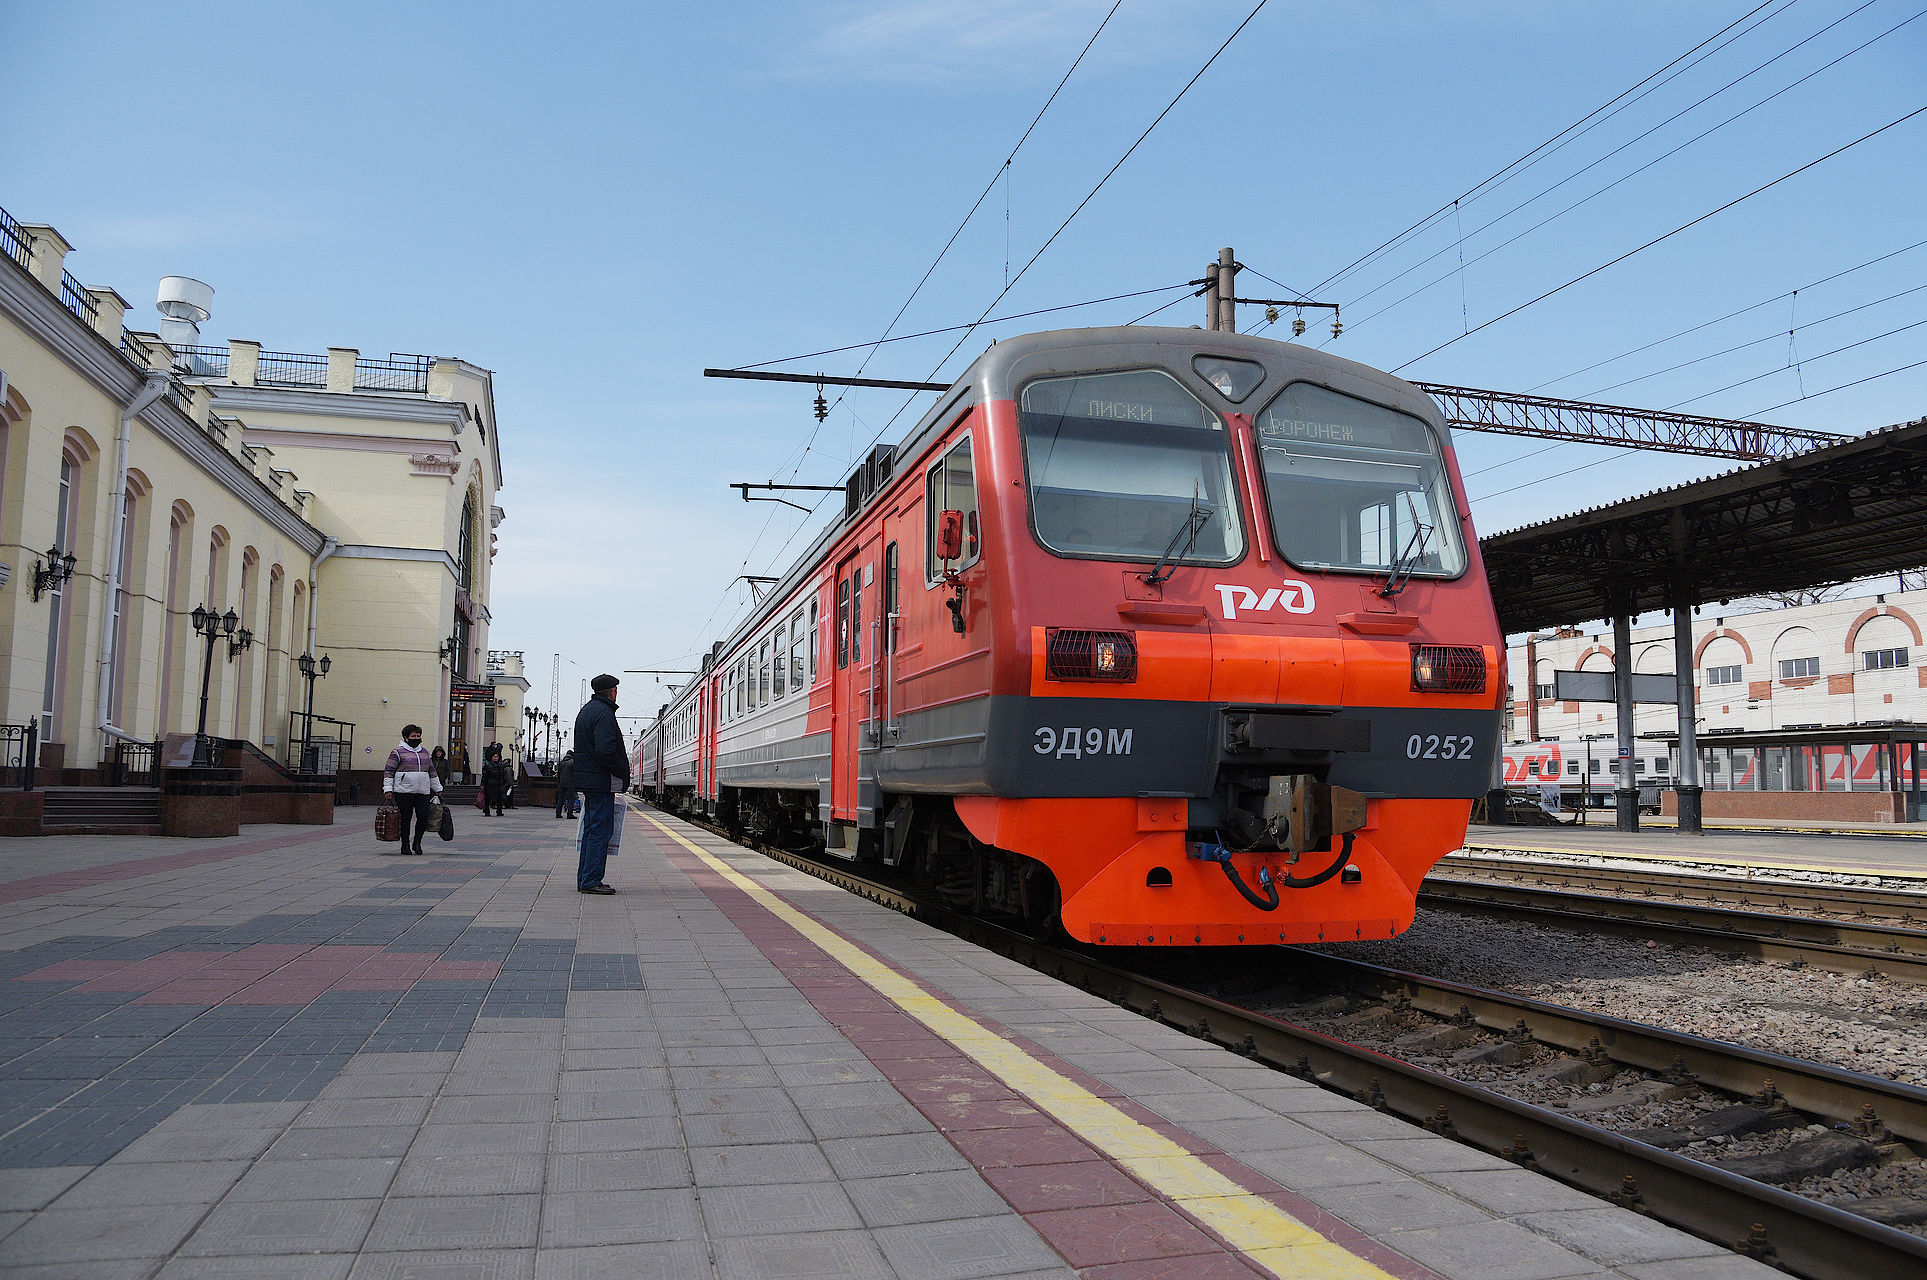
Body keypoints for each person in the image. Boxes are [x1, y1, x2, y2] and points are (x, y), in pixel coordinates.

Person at [572, 675, 629, 894]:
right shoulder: (604, 714)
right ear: (613, 691)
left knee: (591, 830)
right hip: (599, 781)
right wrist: (621, 770)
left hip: (590, 780)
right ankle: (591, 881)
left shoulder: (588, 711)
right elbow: (606, 750)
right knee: (600, 831)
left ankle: (586, 878)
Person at [383, 724, 443, 855]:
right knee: (406, 818)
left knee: (423, 816)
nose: (416, 738)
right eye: (413, 736)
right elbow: (389, 771)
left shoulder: (425, 753)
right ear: (406, 737)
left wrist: (437, 788)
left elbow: (432, 772)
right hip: (403, 791)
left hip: (422, 791)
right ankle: (405, 844)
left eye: (418, 736)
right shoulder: (397, 752)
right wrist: (388, 789)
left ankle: (417, 842)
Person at [482, 743, 511, 817]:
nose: (496, 758)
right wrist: (482, 785)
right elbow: (485, 776)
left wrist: (504, 782)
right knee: (488, 798)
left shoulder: (501, 765)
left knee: (499, 799)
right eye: (494, 757)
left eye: (497, 757)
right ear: (491, 757)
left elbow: (503, 775)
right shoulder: (488, 765)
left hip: (499, 784)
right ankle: (487, 811)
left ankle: (499, 811)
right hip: (490, 784)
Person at [555, 749, 577, 819]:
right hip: (570, 783)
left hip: (562, 783)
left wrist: (559, 782)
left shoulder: (562, 762)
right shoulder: (572, 762)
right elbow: (575, 773)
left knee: (560, 798)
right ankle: (569, 813)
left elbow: (558, 774)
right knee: (571, 798)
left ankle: (558, 813)